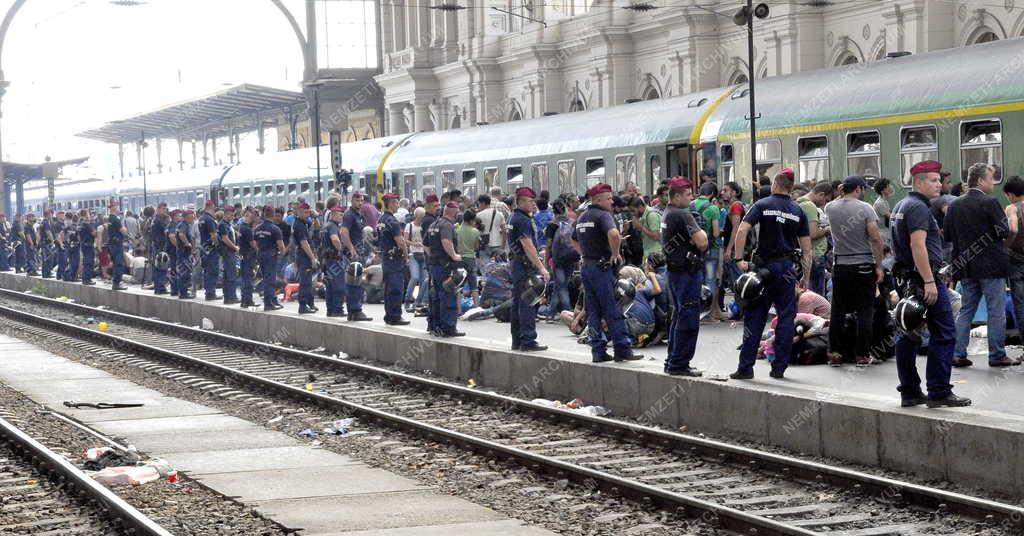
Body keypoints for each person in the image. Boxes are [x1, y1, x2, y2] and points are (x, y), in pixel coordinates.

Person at [890, 160, 971, 408]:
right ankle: (939, 391)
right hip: (922, 279)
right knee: (945, 333)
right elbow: (918, 245)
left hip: (906, 277)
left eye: (939, 180)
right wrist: (929, 281)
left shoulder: (901, 205)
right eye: (934, 180)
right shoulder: (919, 208)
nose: (939, 184)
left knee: (909, 334)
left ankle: (910, 391)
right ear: (919, 182)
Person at [731, 168, 812, 380]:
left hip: (762, 270)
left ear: (775, 184)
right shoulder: (798, 211)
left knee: (755, 318)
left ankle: (746, 367)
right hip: (786, 271)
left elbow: (742, 230)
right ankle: (779, 367)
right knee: (786, 318)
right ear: (791, 188)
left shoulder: (762, 205)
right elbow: (807, 249)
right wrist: (806, 276)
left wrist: (739, 259)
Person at [945, 163, 1015, 368]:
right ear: (979, 181)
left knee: (966, 310)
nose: (993, 183)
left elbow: (947, 235)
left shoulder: (955, 205)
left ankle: (957, 354)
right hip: (992, 267)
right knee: (996, 311)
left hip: (966, 267)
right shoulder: (990, 202)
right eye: (990, 179)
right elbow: (1004, 231)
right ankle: (997, 355)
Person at [572, 183, 640, 363]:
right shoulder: (604, 215)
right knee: (613, 309)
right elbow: (614, 234)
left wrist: (585, 254)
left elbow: (573, 240)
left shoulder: (582, 217)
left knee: (593, 311)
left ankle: (598, 351)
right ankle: (622, 349)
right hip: (602, 269)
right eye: (608, 198)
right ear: (598, 200)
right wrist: (615, 253)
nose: (612, 201)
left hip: (587, 267)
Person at [824, 175, 885, 367]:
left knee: (838, 311)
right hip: (863, 266)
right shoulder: (866, 208)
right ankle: (862, 355)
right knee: (865, 311)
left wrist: (841, 192)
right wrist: (879, 265)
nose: (864, 191)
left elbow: (835, 203)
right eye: (863, 188)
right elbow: (875, 238)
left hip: (840, 265)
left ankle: (835, 353)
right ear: (858, 189)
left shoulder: (830, 208)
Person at [661, 177, 708, 376]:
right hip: (687, 273)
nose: (692, 197)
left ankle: (672, 360)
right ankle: (679, 363)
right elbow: (703, 241)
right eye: (688, 194)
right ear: (677, 196)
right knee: (688, 318)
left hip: (674, 271)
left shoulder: (667, 212)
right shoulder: (682, 213)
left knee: (678, 316)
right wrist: (699, 236)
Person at [508, 187, 549, 352]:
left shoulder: (513, 218)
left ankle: (517, 340)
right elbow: (528, 245)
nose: (534, 204)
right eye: (531, 201)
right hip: (525, 266)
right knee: (528, 301)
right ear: (522, 201)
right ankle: (528, 340)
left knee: (517, 301)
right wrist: (541, 267)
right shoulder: (523, 220)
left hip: (517, 263)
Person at [426, 201, 465, 337]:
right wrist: (454, 255)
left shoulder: (433, 224)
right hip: (445, 266)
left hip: (434, 265)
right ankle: (448, 327)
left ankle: (436, 326)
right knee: (448, 295)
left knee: (436, 296)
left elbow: (425, 244)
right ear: (454, 213)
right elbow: (446, 241)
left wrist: (432, 254)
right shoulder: (447, 225)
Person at [378, 192, 411, 325]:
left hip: (386, 258)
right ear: (391, 203)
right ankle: (395, 316)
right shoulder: (393, 221)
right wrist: (406, 255)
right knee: (396, 288)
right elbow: (400, 241)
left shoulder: (381, 219)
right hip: (394, 259)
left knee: (388, 289)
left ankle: (389, 315)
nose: (397, 205)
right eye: (396, 202)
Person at [796, 182, 832, 297]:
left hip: (809, 255)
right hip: (815, 255)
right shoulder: (809, 206)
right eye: (826, 200)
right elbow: (812, 233)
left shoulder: (800, 202)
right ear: (821, 194)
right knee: (816, 294)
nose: (824, 203)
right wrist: (828, 229)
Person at [340, 193, 372, 321]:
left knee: (355, 282)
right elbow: (343, 232)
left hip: (359, 252)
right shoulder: (349, 215)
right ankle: (356, 310)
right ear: (351, 200)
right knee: (354, 282)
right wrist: (352, 249)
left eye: (362, 200)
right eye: (357, 200)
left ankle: (352, 311)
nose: (360, 203)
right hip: (353, 254)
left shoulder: (358, 215)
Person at [255, 205, 286, 310]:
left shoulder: (257, 228)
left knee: (265, 279)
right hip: (271, 256)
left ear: (264, 214)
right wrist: (282, 253)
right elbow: (281, 246)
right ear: (273, 215)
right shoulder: (275, 229)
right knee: (270, 280)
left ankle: (272, 299)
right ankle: (268, 304)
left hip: (261, 255)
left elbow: (255, 244)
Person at [292, 202, 318, 315]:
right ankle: (303, 305)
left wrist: (315, 216)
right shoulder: (299, 225)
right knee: (305, 281)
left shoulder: (305, 222)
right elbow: (304, 243)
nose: (306, 214)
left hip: (307, 254)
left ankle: (309, 303)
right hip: (304, 255)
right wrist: (312, 258)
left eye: (308, 212)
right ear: (298, 212)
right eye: (304, 212)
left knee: (309, 281)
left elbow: (317, 227)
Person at [321, 206, 347, 317]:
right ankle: (337, 309)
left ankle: (330, 309)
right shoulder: (333, 226)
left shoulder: (325, 226)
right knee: (339, 286)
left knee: (330, 286)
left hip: (327, 260)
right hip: (335, 260)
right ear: (333, 214)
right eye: (340, 215)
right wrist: (340, 249)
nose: (342, 217)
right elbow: (335, 239)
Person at [456, 209, 481, 308]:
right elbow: (476, 247)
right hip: (471, 259)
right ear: (471, 220)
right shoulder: (475, 231)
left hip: (459, 258)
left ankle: (458, 311)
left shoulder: (456, 230)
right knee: (473, 286)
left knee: (458, 286)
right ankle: (476, 308)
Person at [404, 206, 428, 312]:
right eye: (420, 217)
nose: (421, 219)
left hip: (423, 254)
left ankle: (418, 302)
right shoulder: (409, 226)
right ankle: (408, 299)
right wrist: (415, 243)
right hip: (413, 254)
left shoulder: (425, 226)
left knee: (424, 280)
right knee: (415, 277)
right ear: (416, 216)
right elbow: (405, 240)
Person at [198, 201, 221, 300]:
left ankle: (208, 292)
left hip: (204, 248)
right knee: (212, 271)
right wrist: (217, 245)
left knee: (207, 270)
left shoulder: (201, 218)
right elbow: (214, 235)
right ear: (212, 206)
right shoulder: (210, 219)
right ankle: (211, 293)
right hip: (211, 249)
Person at [218, 205, 241, 304]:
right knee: (231, 274)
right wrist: (235, 247)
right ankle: (231, 296)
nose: (232, 217)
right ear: (226, 214)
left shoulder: (227, 224)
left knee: (228, 274)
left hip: (229, 252)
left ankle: (228, 296)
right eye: (231, 215)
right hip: (228, 252)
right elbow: (225, 238)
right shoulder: (223, 224)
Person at [476, 194, 507, 260]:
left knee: (485, 268)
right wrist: (503, 246)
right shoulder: (499, 214)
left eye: (479, 204)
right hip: (497, 244)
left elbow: (476, 232)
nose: (478, 206)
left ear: (483, 203)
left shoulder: (478, 215)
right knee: (499, 267)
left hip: (484, 245)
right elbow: (504, 231)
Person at [237, 208, 257, 308]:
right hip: (248, 256)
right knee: (248, 279)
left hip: (243, 255)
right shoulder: (247, 229)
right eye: (253, 216)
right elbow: (253, 244)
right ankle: (247, 300)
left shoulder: (241, 227)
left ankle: (244, 300)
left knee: (244, 278)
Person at [175, 210, 196, 299]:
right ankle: (183, 292)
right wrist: (187, 243)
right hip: (184, 252)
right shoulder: (184, 225)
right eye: (192, 217)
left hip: (182, 251)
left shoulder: (182, 224)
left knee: (184, 271)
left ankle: (183, 291)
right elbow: (181, 234)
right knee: (184, 272)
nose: (193, 219)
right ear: (187, 217)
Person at [150, 209, 170, 294]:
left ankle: (157, 287)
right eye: (165, 209)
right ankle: (161, 288)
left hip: (156, 246)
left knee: (157, 267)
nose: (166, 212)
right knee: (162, 267)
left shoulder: (154, 220)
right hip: (161, 247)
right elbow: (166, 232)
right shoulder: (160, 221)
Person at [873, 178, 893, 247]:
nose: (891, 187)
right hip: (883, 234)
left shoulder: (884, 201)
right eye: (888, 186)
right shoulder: (880, 203)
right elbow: (891, 217)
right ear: (883, 190)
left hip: (885, 232)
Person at [77, 210, 95, 285]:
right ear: (85, 215)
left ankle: (85, 278)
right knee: (89, 262)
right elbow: (94, 234)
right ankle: (87, 279)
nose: (90, 215)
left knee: (86, 261)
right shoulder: (87, 225)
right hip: (88, 245)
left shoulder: (80, 224)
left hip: (83, 244)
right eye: (88, 213)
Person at [64, 212, 79, 282]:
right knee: (75, 263)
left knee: (70, 262)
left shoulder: (67, 228)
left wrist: (66, 243)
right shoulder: (77, 228)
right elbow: (79, 238)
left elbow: (64, 236)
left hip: (69, 246)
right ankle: (73, 277)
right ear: (77, 220)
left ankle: (67, 276)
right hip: (76, 246)